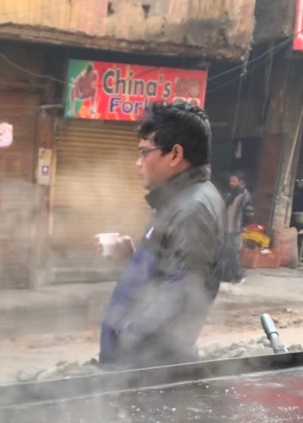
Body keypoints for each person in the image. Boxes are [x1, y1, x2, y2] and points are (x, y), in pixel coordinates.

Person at [99, 100, 226, 368]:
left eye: (144, 152)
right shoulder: (177, 201)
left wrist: (124, 344)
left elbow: (181, 304)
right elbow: (165, 278)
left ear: (175, 154)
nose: (138, 163)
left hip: (146, 374)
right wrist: (131, 260)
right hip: (138, 369)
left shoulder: (192, 210)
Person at [224, 170, 255, 284]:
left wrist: (244, 226)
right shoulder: (230, 194)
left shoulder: (246, 196)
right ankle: (227, 276)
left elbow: (249, 214)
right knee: (225, 252)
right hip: (227, 228)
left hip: (236, 229)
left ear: (241, 182)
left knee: (233, 253)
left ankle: (239, 276)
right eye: (230, 181)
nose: (231, 183)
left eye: (234, 181)